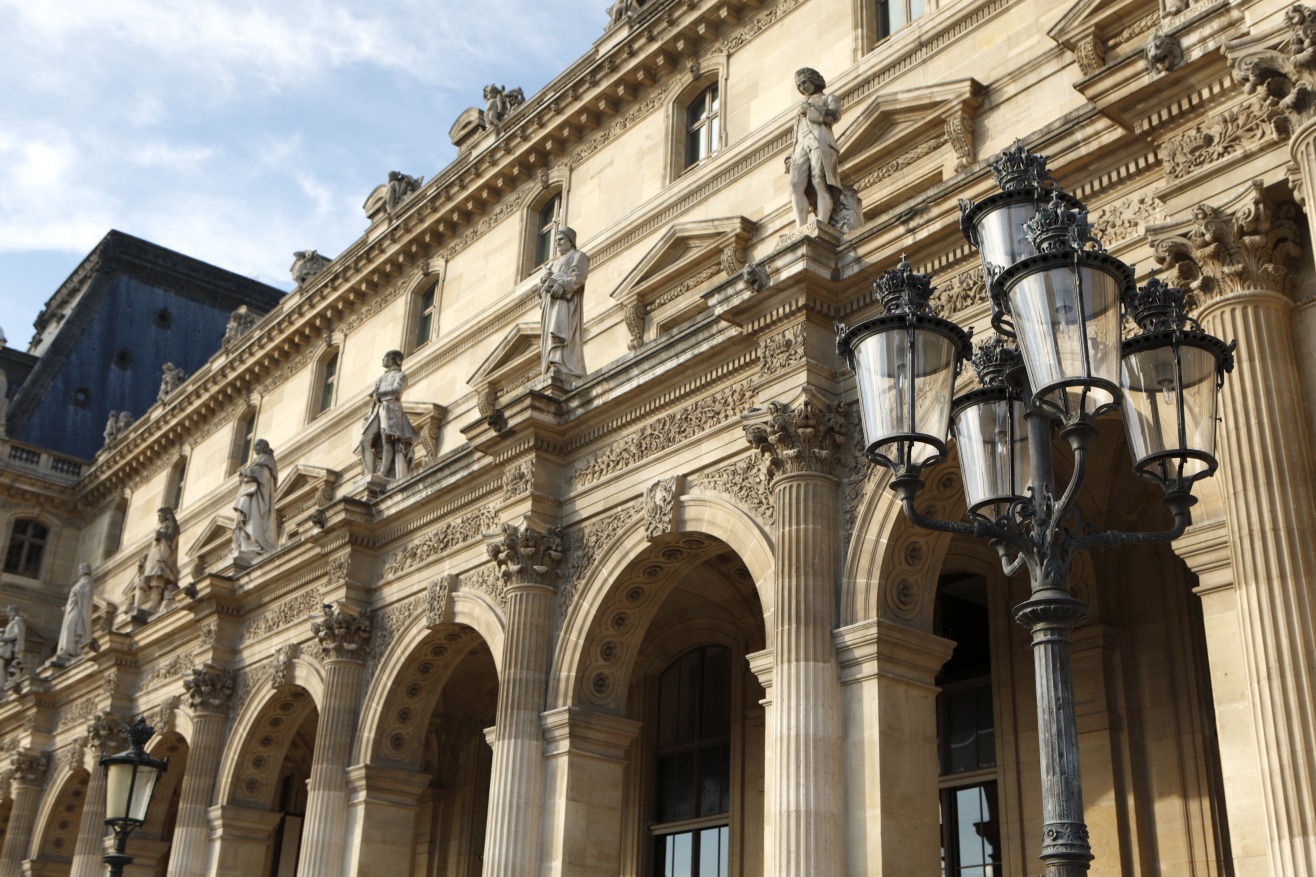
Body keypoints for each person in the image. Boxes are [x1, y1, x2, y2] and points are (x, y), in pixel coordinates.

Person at [789, 67, 843, 229]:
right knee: (795, 186)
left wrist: (811, 110)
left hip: (820, 143)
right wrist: (790, 156)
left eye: (804, 82)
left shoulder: (829, 98)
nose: (802, 87)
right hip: (801, 146)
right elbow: (797, 134)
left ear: (814, 80)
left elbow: (833, 116)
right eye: (799, 85)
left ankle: (822, 223)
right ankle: (800, 227)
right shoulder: (801, 108)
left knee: (820, 180)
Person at [538, 227, 589, 381]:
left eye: (560, 239)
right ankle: (553, 363)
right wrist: (543, 281)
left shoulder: (578, 256)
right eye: (555, 240)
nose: (557, 243)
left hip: (565, 304)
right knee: (550, 333)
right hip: (551, 305)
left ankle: (563, 364)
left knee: (562, 331)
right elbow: (541, 292)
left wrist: (563, 285)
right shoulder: (553, 264)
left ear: (570, 241)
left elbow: (579, 277)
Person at [360, 350, 419, 481]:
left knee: (387, 440)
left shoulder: (400, 375)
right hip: (378, 410)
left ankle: (383, 473)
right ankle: (368, 474)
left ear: (392, 359)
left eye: (385, 357)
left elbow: (397, 391)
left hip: (391, 409)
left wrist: (379, 393)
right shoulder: (381, 378)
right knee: (364, 440)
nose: (382, 360)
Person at [233, 439, 279, 556]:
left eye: (257, 445)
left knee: (254, 521)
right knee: (247, 522)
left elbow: (263, 475)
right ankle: (248, 544)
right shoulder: (258, 461)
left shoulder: (267, 460)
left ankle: (256, 543)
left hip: (258, 499)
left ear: (263, 447)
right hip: (252, 495)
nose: (254, 448)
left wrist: (249, 472)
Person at [142, 507, 179, 612]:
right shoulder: (162, 526)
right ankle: (153, 604)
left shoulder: (172, 525)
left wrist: (161, 534)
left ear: (166, 515)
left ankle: (154, 605)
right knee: (151, 580)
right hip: (155, 555)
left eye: (160, 515)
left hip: (162, 555)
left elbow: (171, 537)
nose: (158, 517)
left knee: (158, 580)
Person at [57, 564, 94, 658]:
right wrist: (68, 606)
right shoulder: (80, 582)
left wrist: (77, 593)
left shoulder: (88, 580)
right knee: (69, 627)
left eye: (80, 568)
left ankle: (69, 649)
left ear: (85, 570)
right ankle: (68, 648)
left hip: (79, 608)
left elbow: (88, 595)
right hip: (73, 607)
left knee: (70, 626)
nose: (79, 570)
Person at [0, 606, 24, 680]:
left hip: (9, 647)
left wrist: (4, 638)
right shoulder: (12, 622)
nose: (8, 614)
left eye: (10, 612)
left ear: (15, 612)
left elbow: (17, 634)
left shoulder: (17, 620)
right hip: (6, 646)